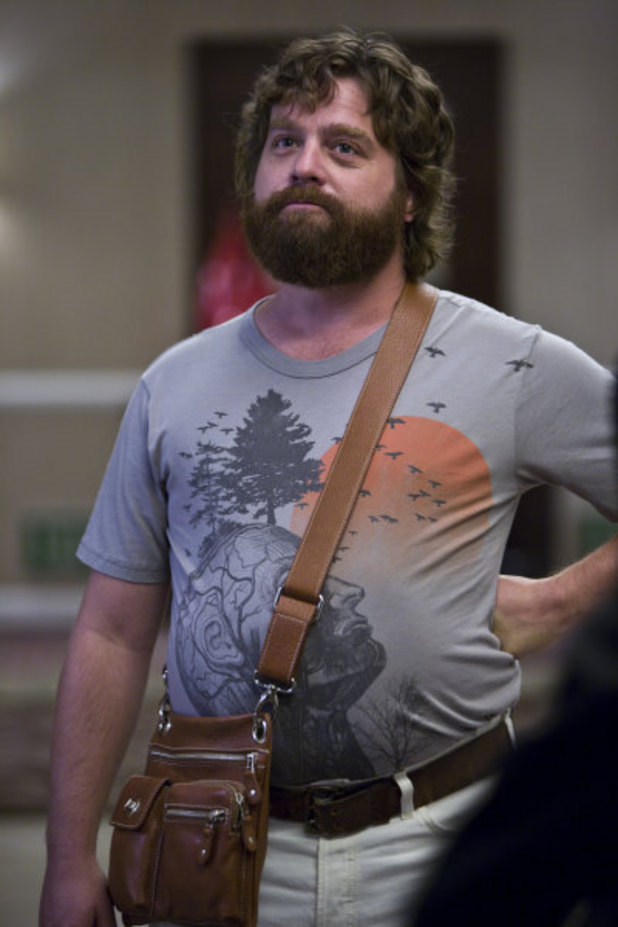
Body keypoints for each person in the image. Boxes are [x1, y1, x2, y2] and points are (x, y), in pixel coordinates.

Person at [39, 28, 618, 927]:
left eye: (344, 147)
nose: (304, 164)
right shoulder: (172, 384)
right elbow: (112, 631)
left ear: (410, 195)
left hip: (437, 839)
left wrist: (561, 598)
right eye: (285, 142)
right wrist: (67, 857)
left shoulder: (515, 363)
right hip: (220, 850)